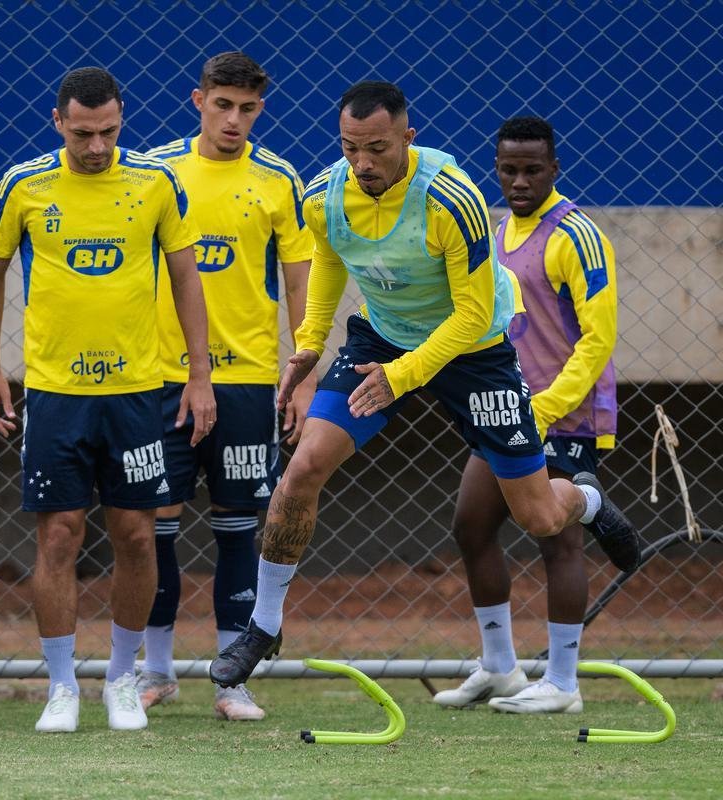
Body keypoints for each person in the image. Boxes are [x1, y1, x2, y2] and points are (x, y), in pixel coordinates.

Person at [209, 82, 640, 689]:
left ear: (407, 140)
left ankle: (587, 498)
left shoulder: (450, 197)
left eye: (377, 149)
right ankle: (263, 624)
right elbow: (334, 260)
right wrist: (309, 343)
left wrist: (401, 377)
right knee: (303, 468)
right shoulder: (325, 195)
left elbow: (469, 316)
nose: (362, 163)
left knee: (540, 517)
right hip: (381, 339)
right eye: (350, 147)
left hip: (475, 351)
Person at [0, 67, 215, 733]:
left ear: (121, 119)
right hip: (56, 395)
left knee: (137, 534)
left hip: (138, 393)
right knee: (58, 534)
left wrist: (198, 375)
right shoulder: (24, 185)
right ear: (59, 123)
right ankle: (60, 687)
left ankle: (120, 680)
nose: (97, 146)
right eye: (83, 133)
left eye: (109, 131)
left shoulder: (154, 183)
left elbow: (188, 280)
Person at [135, 52, 314, 721]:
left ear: (259, 111)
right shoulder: (155, 173)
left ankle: (231, 680)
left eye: (247, 109)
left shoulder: (278, 179)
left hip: (244, 381)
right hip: (159, 377)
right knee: (152, 530)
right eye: (222, 106)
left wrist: (301, 374)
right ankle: (155, 672)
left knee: (241, 530)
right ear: (198, 100)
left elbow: (301, 283)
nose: (234, 120)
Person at [432, 116, 620, 714]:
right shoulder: (495, 232)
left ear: (555, 169)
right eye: (508, 169)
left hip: (560, 415)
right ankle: (500, 667)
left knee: (556, 539)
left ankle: (564, 683)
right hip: (503, 409)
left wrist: (546, 408)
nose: (519, 180)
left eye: (532, 169)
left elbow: (598, 339)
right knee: (471, 526)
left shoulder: (578, 235)